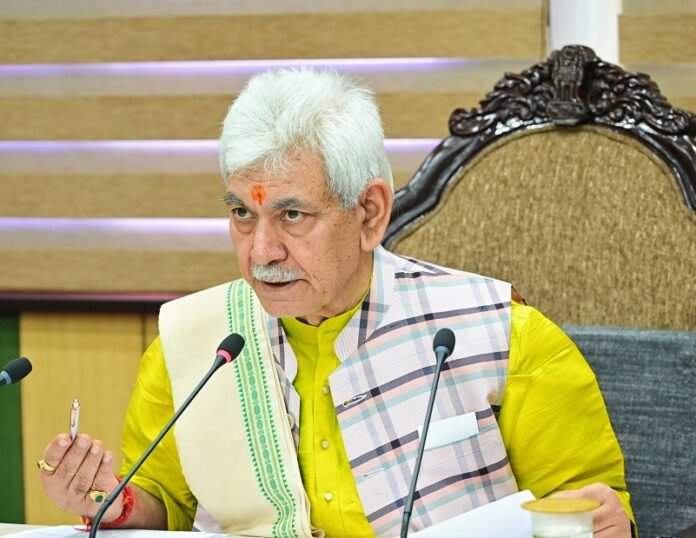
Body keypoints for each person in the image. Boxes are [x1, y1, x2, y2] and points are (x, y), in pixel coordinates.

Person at [38, 68, 634, 538]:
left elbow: (591, 509)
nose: (261, 251)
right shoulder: (199, 345)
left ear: (369, 212)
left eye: (293, 214)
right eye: (242, 213)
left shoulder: (499, 333)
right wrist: (109, 500)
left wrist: (606, 523)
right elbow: (165, 506)